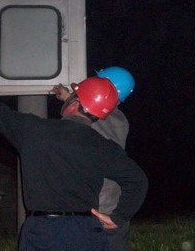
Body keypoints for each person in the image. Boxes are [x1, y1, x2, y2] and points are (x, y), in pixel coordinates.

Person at [0, 76, 148, 251]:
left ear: (74, 103)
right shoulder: (105, 146)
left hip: (44, 230)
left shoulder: (34, 129)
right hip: (88, 230)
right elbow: (138, 181)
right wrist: (118, 217)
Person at [51, 66, 135, 251]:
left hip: (97, 209)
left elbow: (85, 117)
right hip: (110, 206)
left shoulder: (104, 117)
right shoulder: (119, 119)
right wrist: (69, 97)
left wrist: (70, 98)